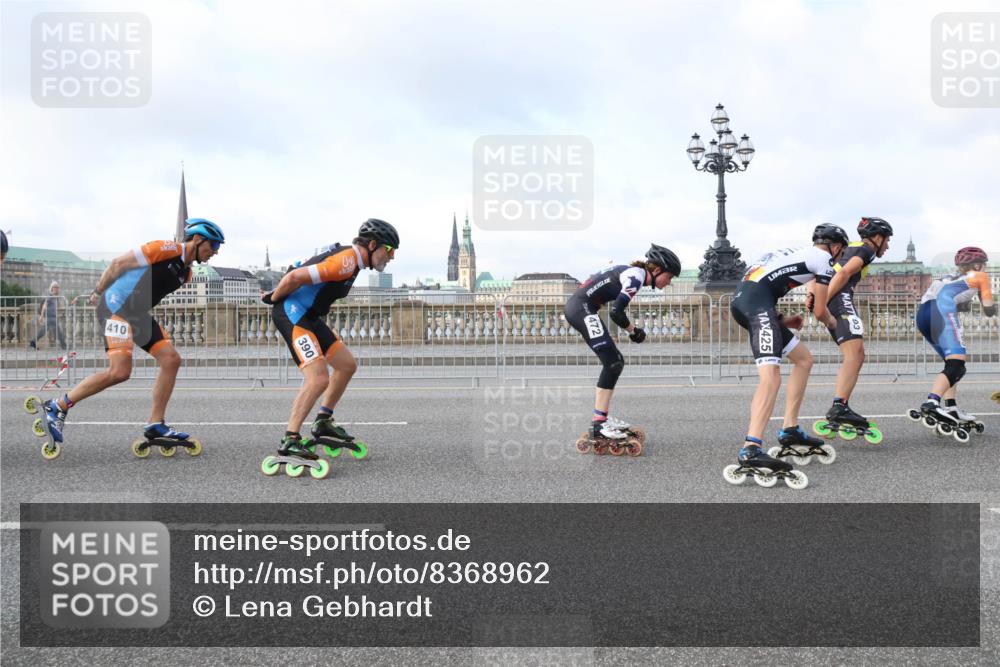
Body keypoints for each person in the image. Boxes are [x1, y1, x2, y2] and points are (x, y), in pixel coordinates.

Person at [39, 219, 225, 450]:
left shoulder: (186, 274)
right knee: (120, 372)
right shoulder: (166, 249)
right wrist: (98, 291)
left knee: (171, 359)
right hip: (115, 307)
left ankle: (156, 424)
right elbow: (119, 264)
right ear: (197, 239)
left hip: (136, 314)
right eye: (214, 246)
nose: (215, 252)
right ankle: (58, 406)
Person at [261, 219, 398, 472]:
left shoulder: (353, 262)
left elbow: (310, 277)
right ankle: (290, 439)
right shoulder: (345, 261)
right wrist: (273, 297)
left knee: (346, 365)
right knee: (318, 378)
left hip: (309, 317)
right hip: (292, 313)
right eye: (389, 251)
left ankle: (323, 420)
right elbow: (295, 276)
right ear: (372, 244)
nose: (391, 257)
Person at [725, 224, 847, 488]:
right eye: (841, 251)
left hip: (752, 303)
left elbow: (759, 287)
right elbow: (821, 311)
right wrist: (837, 326)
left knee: (804, 359)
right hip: (757, 306)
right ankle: (751, 447)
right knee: (770, 379)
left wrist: (782, 320)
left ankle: (790, 430)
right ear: (836, 247)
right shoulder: (824, 259)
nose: (838, 256)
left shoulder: (799, 253)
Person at [564, 244, 680, 453]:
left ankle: (601, 419)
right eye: (670, 277)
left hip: (581, 307)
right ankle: (599, 424)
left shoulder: (632, 273)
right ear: (656, 270)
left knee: (614, 362)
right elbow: (617, 312)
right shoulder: (635, 277)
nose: (669, 282)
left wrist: (632, 330)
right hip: (581, 309)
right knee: (613, 362)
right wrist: (634, 330)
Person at [814, 217, 893, 438]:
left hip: (835, 298)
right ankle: (840, 406)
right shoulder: (866, 249)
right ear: (877, 238)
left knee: (855, 355)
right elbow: (843, 274)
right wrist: (824, 301)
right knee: (855, 355)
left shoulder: (855, 248)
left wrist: (820, 298)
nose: (887, 245)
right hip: (840, 298)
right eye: (887, 240)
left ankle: (840, 405)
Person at [915, 246, 996, 436]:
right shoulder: (981, 277)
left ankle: (950, 406)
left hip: (923, 314)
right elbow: (989, 309)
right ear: (977, 265)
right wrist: (990, 303)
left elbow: (959, 302)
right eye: (983, 264)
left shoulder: (948, 278)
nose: (984, 268)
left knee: (951, 363)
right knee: (958, 365)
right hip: (942, 310)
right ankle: (932, 402)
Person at [30, 281, 69, 350]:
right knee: (58, 332)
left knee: (44, 331)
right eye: (56, 287)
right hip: (50, 318)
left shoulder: (55, 297)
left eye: (58, 287)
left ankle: (33, 341)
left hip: (52, 317)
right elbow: (44, 306)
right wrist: (41, 316)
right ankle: (64, 345)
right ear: (52, 288)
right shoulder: (50, 296)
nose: (58, 289)